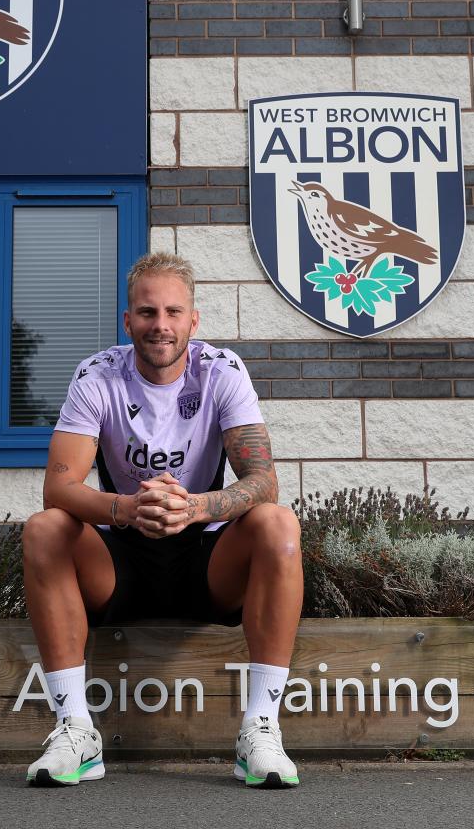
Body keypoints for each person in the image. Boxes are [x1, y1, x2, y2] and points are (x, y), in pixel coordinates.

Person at [21, 252, 304, 788]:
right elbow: (58, 487)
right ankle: (75, 730)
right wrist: (127, 509)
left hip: (206, 560)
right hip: (120, 558)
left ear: (193, 321)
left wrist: (194, 507)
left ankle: (261, 731)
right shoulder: (96, 375)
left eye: (174, 312)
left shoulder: (221, 370)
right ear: (127, 320)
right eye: (148, 312)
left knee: (278, 523)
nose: (161, 325)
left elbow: (263, 481)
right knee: (44, 528)